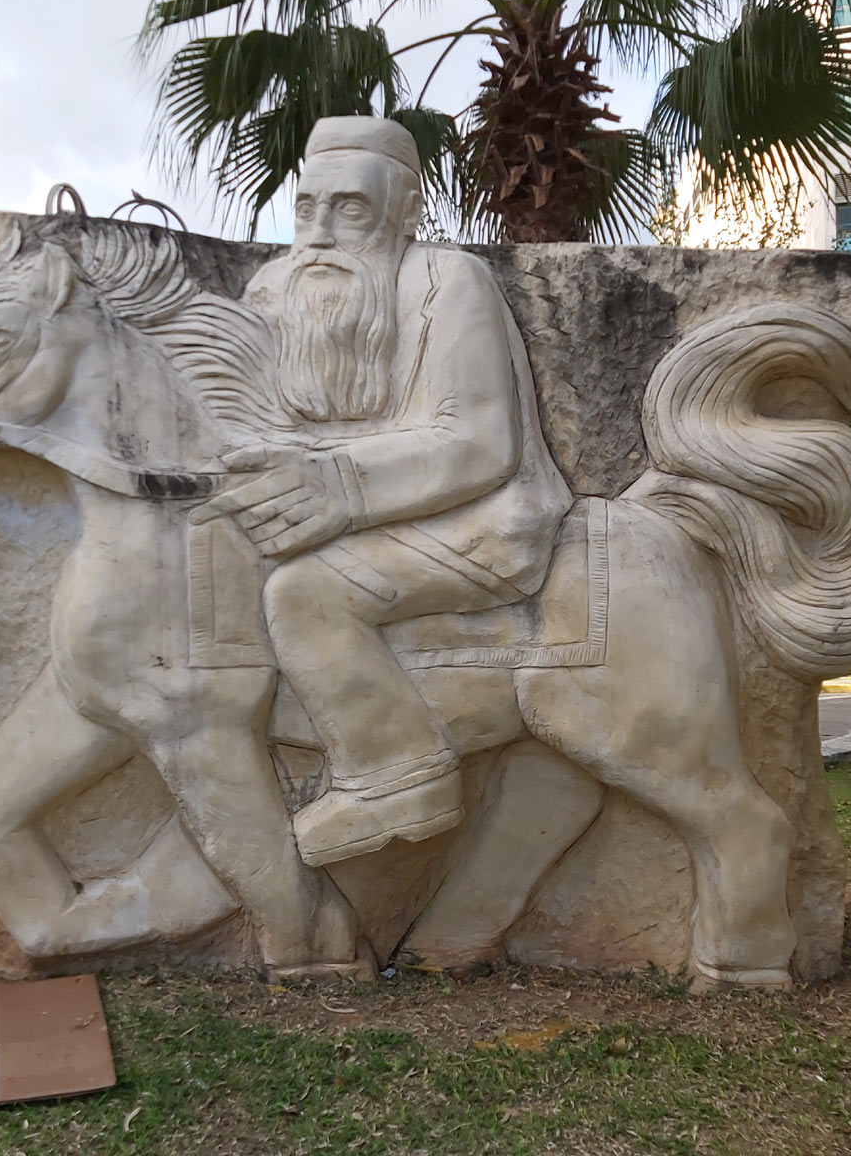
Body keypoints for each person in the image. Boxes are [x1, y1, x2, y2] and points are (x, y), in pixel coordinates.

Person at [194, 116, 571, 866]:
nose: (323, 231)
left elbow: (479, 442)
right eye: (307, 209)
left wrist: (338, 484)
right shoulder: (275, 288)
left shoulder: (447, 281)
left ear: (403, 211)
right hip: (333, 513)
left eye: (351, 209)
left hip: (479, 519)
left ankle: (398, 775)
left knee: (307, 595)